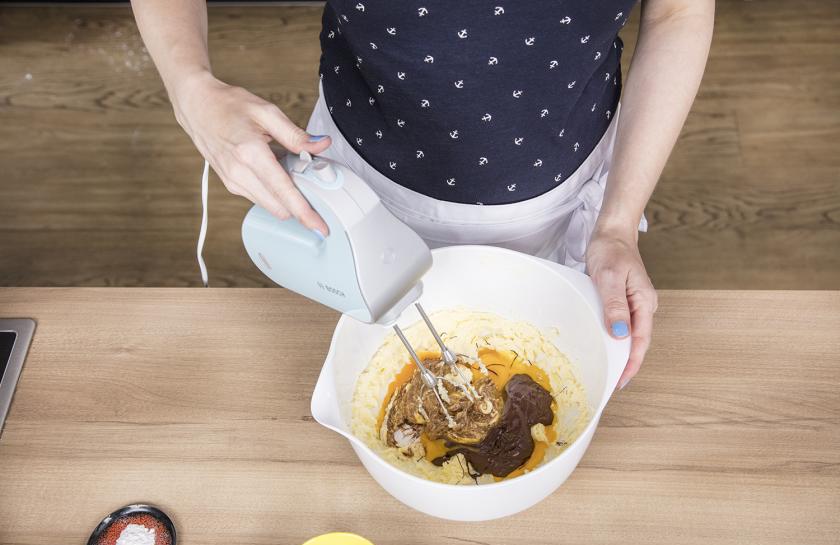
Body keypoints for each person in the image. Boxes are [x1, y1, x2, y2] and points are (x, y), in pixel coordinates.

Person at [131, 0, 714, 390]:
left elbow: (678, 14)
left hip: (564, 185)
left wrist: (616, 225)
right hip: (360, 180)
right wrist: (191, 88)